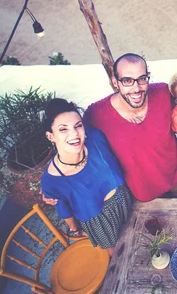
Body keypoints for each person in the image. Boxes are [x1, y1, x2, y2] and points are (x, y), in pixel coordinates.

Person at [43, 53, 177, 203]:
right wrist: (55, 183)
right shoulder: (96, 115)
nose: (136, 88)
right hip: (143, 193)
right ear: (115, 82)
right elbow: (78, 148)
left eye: (142, 79)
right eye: (127, 80)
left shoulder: (163, 93)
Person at [41, 99, 132, 257]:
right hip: (100, 223)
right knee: (119, 255)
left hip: (123, 199)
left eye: (78, 126)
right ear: (50, 136)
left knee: (137, 235)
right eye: (63, 129)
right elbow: (64, 210)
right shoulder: (51, 180)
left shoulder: (96, 139)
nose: (74, 134)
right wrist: (75, 230)